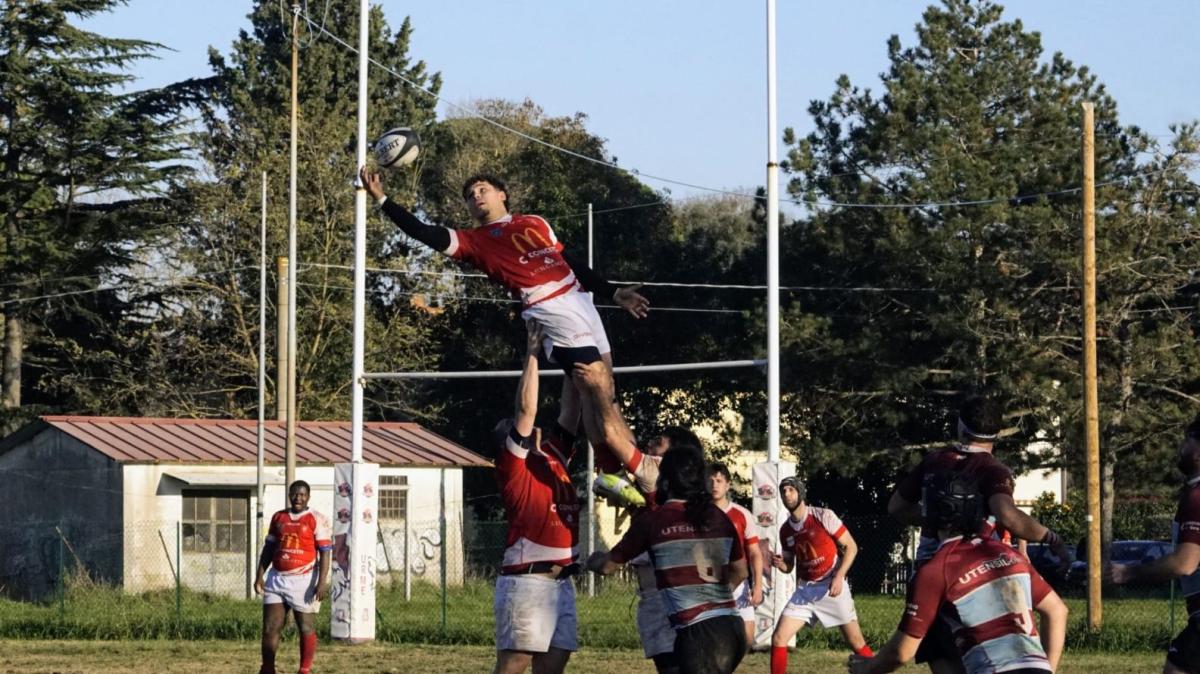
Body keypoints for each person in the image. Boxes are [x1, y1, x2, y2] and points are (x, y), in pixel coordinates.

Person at [359, 167, 646, 476]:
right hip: (547, 305)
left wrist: (612, 292)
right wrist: (382, 198)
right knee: (594, 381)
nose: (476, 196)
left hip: (579, 298)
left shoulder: (535, 222)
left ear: (502, 195)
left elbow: (570, 262)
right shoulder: (472, 241)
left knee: (604, 390)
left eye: (482, 189)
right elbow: (422, 231)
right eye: (470, 196)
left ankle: (618, 472)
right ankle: (635, 470)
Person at [887, 395, 1070, 674]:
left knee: (943, 654)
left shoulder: (935, 461)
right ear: (997, 432)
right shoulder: (992, 469)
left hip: (931, 569)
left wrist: (937, 516)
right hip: (979, 570)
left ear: (960, 426)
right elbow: (1008, 515)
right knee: (989, 646)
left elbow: (897, 507)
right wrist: (1052, 539)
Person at [849, 473, 1068, 674]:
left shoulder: (936, 570)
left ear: (932, 514)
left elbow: (901, 653)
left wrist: (867, 667)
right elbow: (1057, 611)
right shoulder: (1009, 555)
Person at [587, 446, 749, 674]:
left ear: (665, 482)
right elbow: (741, 571)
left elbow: (607, 566)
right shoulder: (719, 516)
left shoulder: (655, 520)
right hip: (732, 627)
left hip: (699, 633)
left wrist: (590, 561)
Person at [492, 322, 583, 674]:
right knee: (513, 666)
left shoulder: (553, 456)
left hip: (561, 584)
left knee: (553, 667)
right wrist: (532, 353)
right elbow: (526, 410)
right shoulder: (514, 467)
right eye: (519, 432)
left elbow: (570, 412)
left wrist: (573, 356)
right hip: (528, 581)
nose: (530, 431)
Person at [1110, 414, 1200, 674]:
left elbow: (1185, 563)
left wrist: (1128, 572)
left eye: (1188, 440)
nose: (1181, 446)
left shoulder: (1197, 497)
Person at [770, 477, 872, 674]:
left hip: (831, 586)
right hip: (805, 591)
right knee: (779, 638)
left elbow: (851, 547)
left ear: (801, 493)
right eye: (783, 491)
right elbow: (789, 566)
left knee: (856, 642)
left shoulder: (823, 516)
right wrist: (781, 563)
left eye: (791, 490)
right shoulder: (785, 530)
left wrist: (839, 576)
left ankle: (877, 669)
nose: (787, 494)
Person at [254, 480, 333, 674]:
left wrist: (322, 582)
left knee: (305, 627)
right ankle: (267, 668)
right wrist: (260, 575)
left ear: (308, 497)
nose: (298, 498)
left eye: (302, 494)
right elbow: (269, 548)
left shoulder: (317, 518)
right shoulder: (278, 517)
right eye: (295, 494)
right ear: (289, 495)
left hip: (304, 580)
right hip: (277, 578)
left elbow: (325, 553)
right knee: (270, 627)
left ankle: (304, 669)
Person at [709, 461, 766, 647]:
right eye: (710, 481)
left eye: (719, 481)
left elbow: (755, 553)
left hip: (738, 583)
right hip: (708, 583)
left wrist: (758, 586)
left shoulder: (742, 514)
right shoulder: (699, 514)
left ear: (727, 485)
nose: (714, 485)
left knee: (746, 640)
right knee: (711, 639)